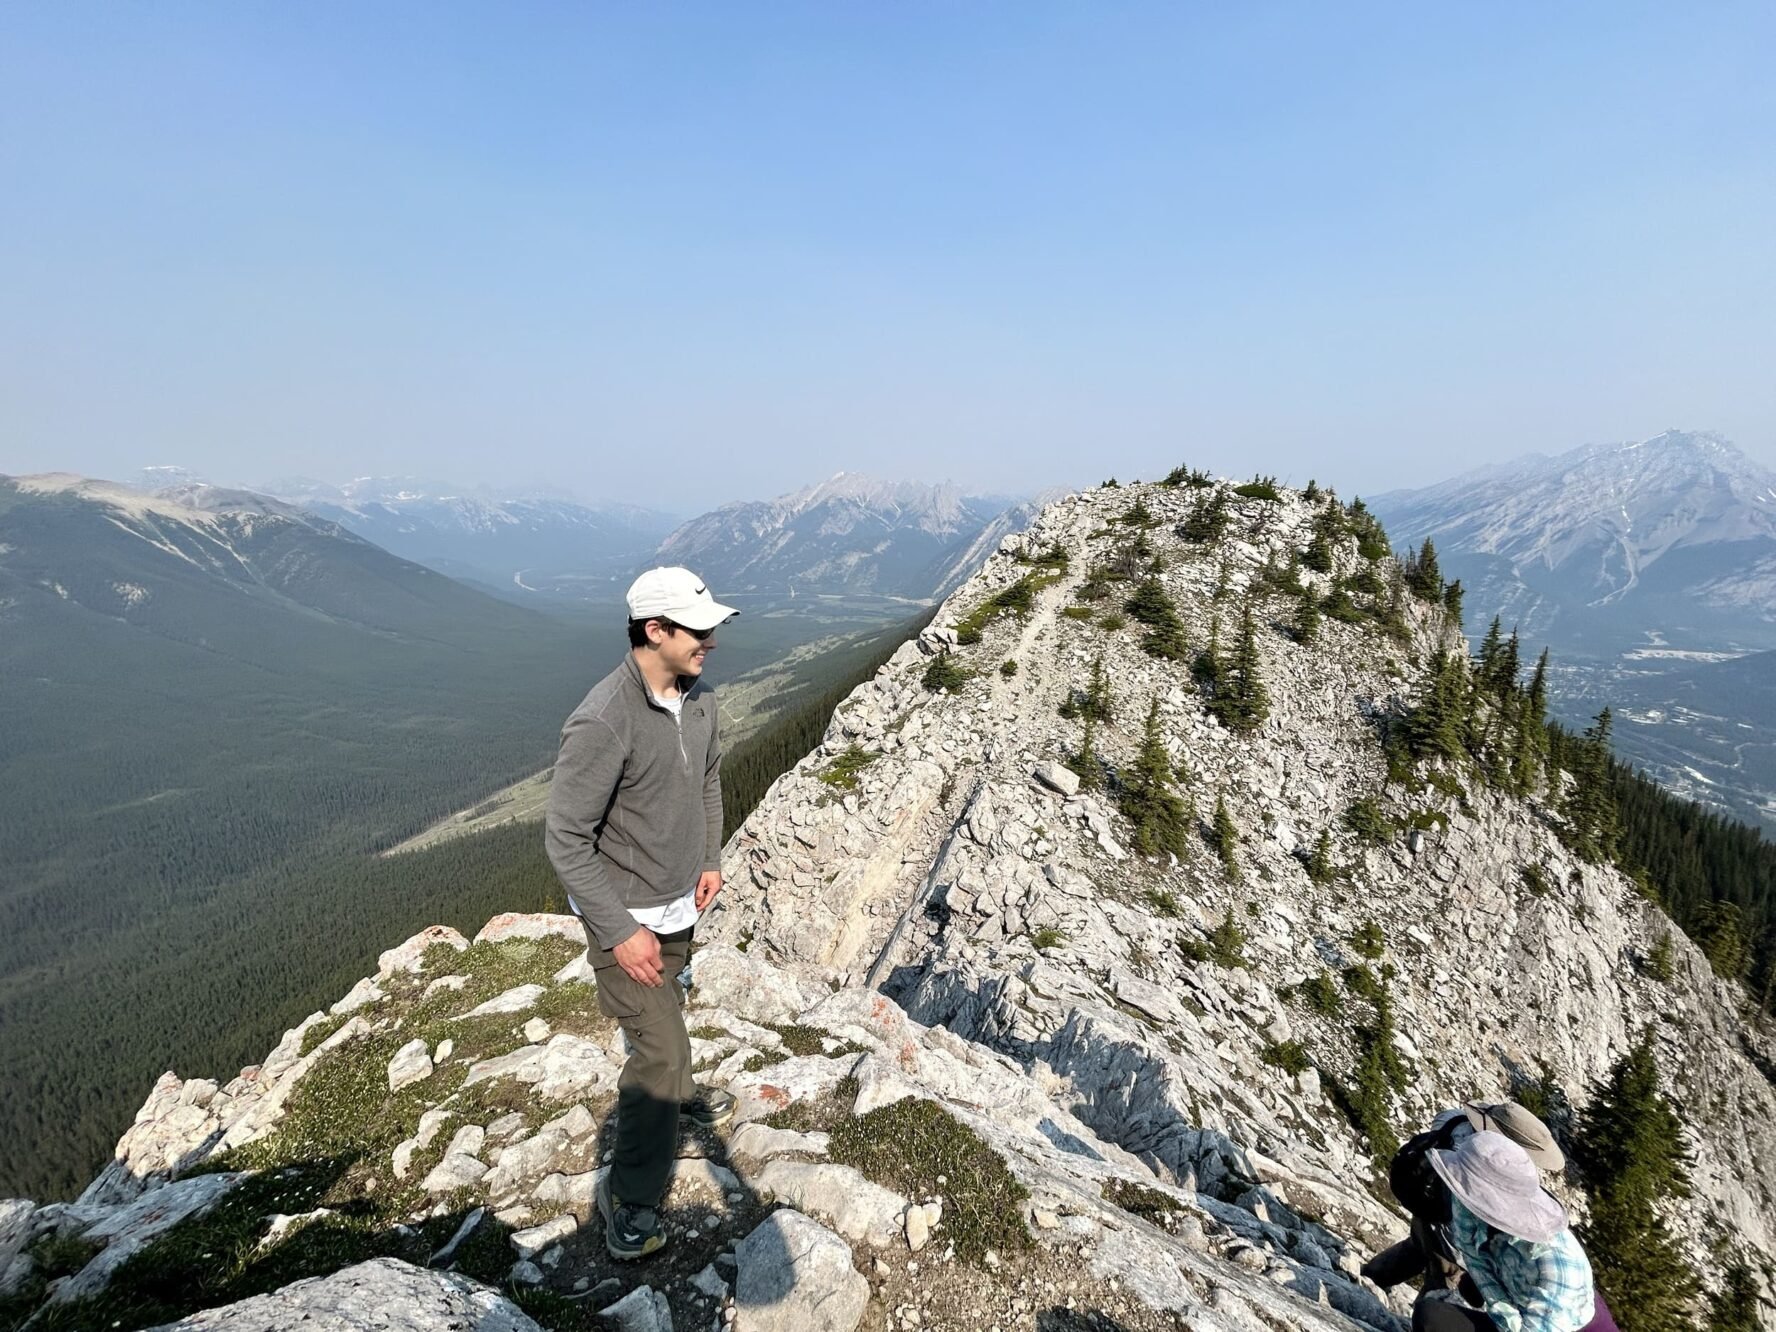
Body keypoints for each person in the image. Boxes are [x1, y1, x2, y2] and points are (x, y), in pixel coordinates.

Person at [545, 566, 740, 1260]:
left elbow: (708, 779)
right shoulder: (603, 719)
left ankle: (671, 1093)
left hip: (679, 902)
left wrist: (709, 858)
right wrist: (620, 930)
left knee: (669, 1026)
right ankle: (629, 1201)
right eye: (698, 629)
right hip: (624, 916)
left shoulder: (703, 701)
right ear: (654, 630)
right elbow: (565, 837)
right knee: (659, 1051)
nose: (711, 640)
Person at [1365, 1101, 1565, 1293]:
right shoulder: (1497, 1166)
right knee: (1444, 1280)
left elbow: (1440, 1122)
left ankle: (1367, 1277)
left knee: (1416, 1247)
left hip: (1424, 1203)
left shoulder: (1455, 1120)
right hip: (1452, 1230)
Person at [1412, 1131, 1599, 1332]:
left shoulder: (1555, 1269)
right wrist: (1501, 1308)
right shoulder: (1469, 1203)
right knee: (1435, 1313)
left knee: (1435, 1321)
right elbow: (1471, 1254)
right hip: (1519, 1299)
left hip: (1562, 1325)